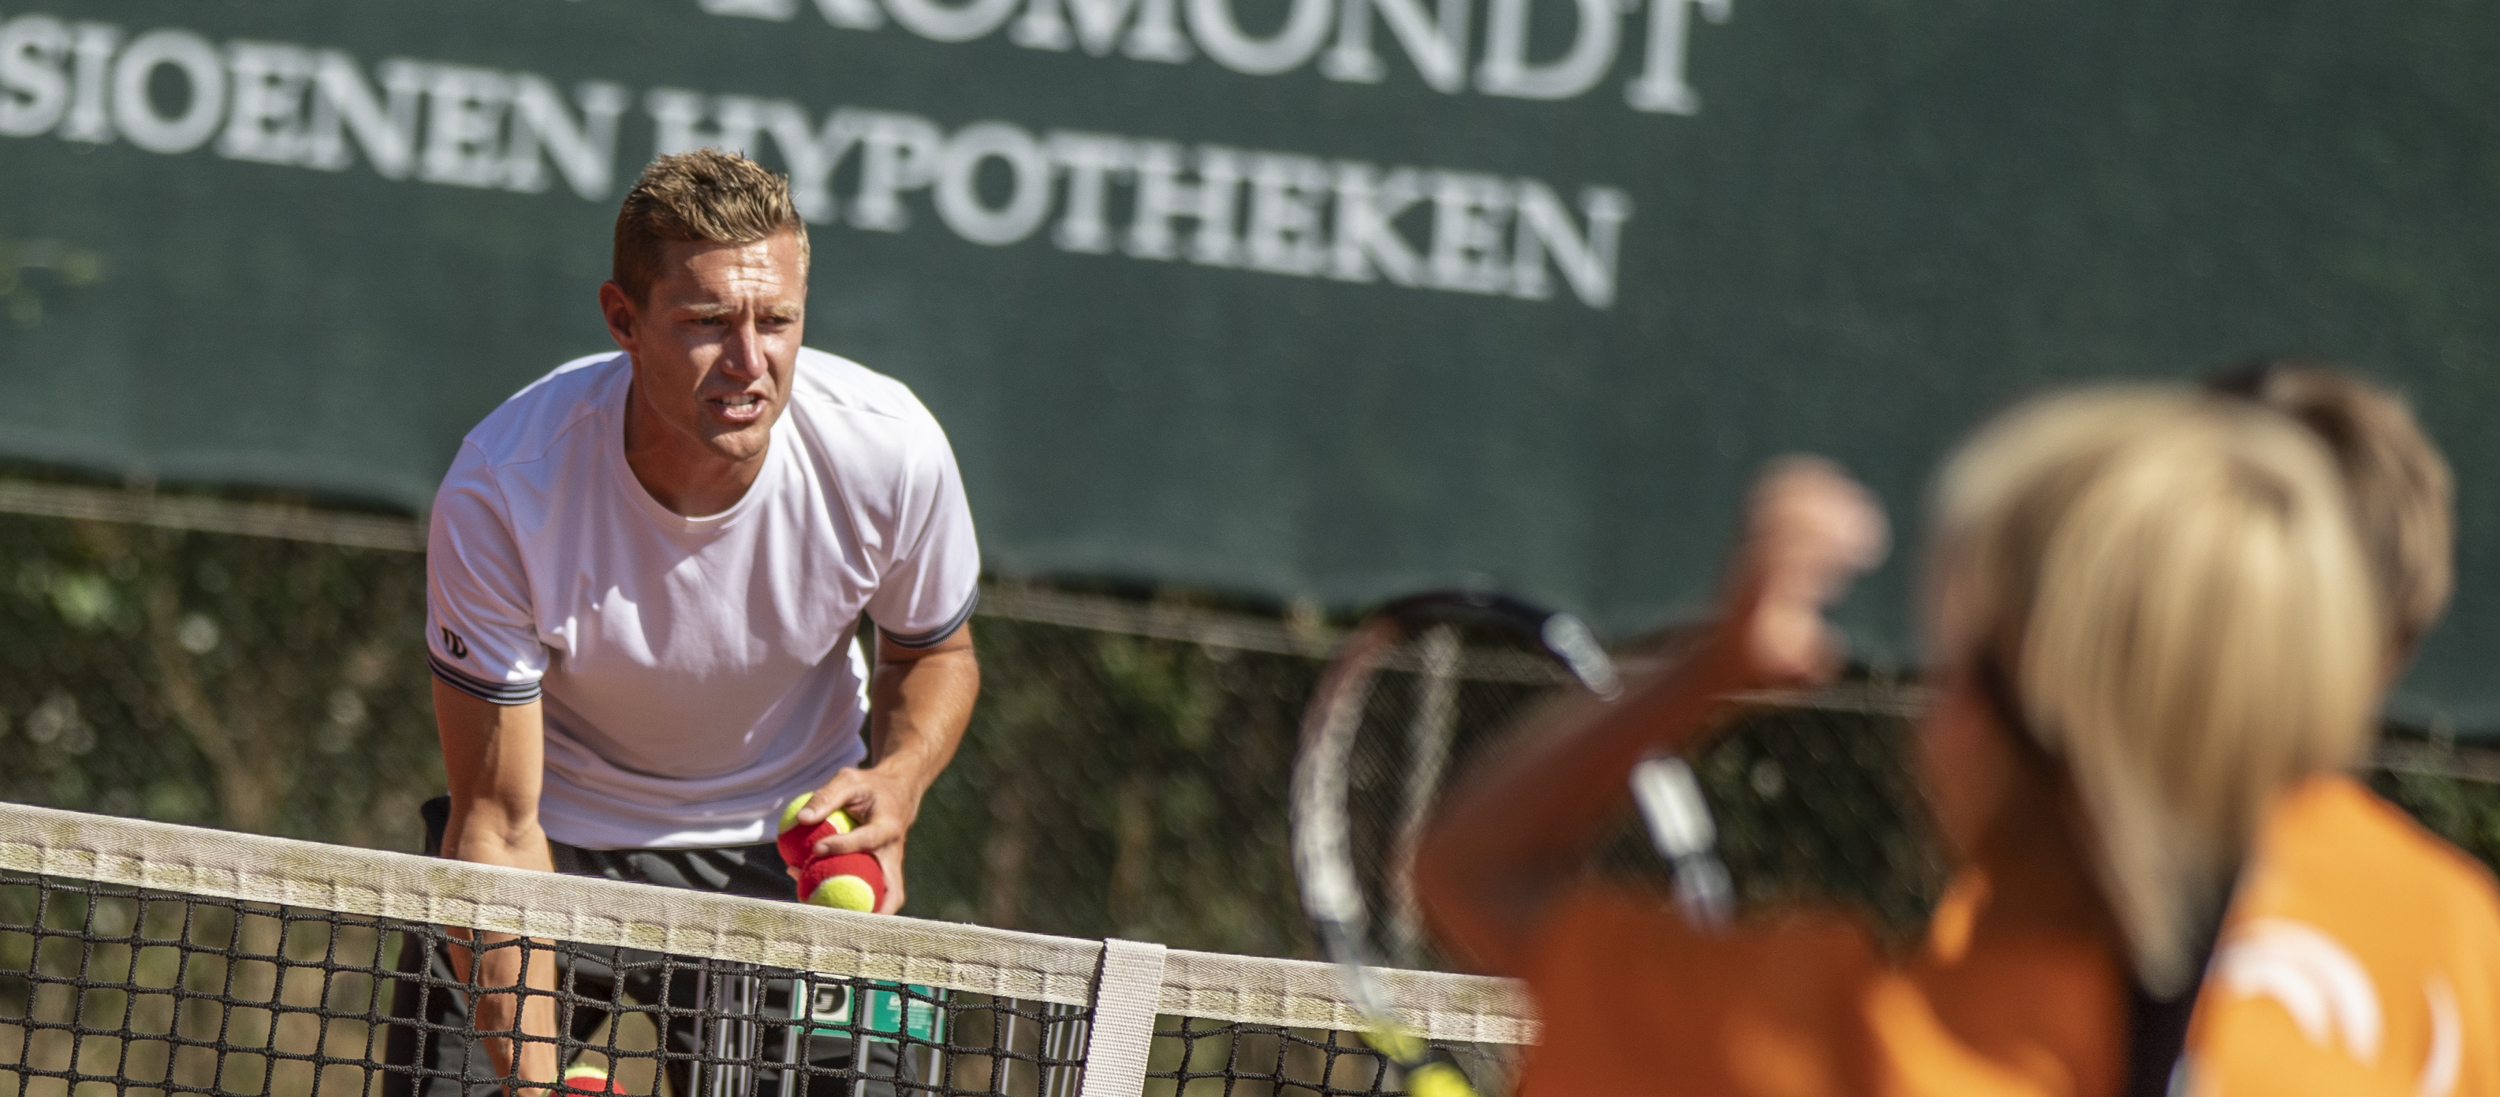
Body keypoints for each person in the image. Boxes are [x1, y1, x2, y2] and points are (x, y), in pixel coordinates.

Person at [1416, 383, 2500, 1096]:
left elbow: (1470, 869)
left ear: (1977, 720)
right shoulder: (2343, 1043)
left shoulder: (1804, 1048)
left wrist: (1709, 666)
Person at [385, 150, 982, 1097]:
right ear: (623, 319)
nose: (749, 361)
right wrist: (533, 1089)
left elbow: (933, 651)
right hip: (550, 847)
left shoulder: (890, 449)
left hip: (789, 850)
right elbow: (496, 823)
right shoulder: (504, 488)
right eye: (707, 322)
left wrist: (899, 779)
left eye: (776, 320)